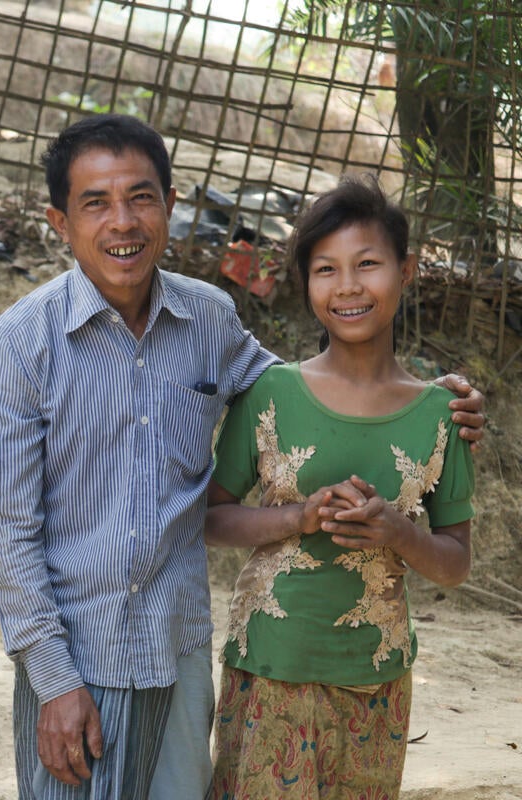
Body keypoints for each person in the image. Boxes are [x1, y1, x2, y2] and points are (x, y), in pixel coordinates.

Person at [0, 114, 485, 800]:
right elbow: (6, 532)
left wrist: (435, 401)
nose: (122, 221)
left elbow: (311, 391)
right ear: (59, 221)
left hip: (178, 646)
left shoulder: (208, 319)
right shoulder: (18, 345)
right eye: (95, 203)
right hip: (76, 654)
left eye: (141, 197)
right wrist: (53, 682)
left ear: (172, 205)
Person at [205, 176, 474, 798]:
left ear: (406, 272)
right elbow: (211, 518)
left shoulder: (444, 414)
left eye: (368, 264)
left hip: (376, 684)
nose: (348, 286)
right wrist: (296, 517)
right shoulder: (271, 393)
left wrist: (398, 533)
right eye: (326, 268)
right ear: (307, 284)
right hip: (267, 672)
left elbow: (456, 562)